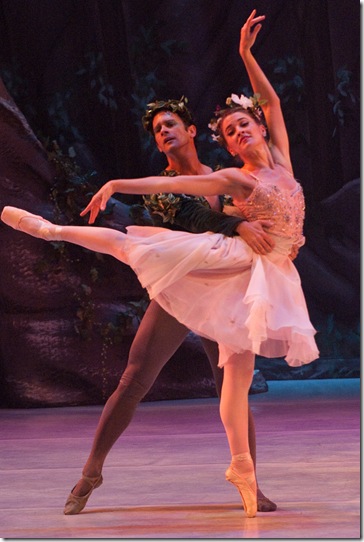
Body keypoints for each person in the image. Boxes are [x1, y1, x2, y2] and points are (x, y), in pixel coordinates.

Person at [1, 9, 319, 517]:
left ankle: (249, 480)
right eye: (156, 131)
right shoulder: (209, 186)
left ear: (194, 130)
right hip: (185, 277)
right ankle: (91, 471)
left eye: (170, 125)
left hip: (237, 280)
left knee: (233, 381)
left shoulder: (238, 170)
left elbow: (271, 108)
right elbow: (186, 211)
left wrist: (245, 54)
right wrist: (233, 224)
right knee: (135, 377)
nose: (164, 135)